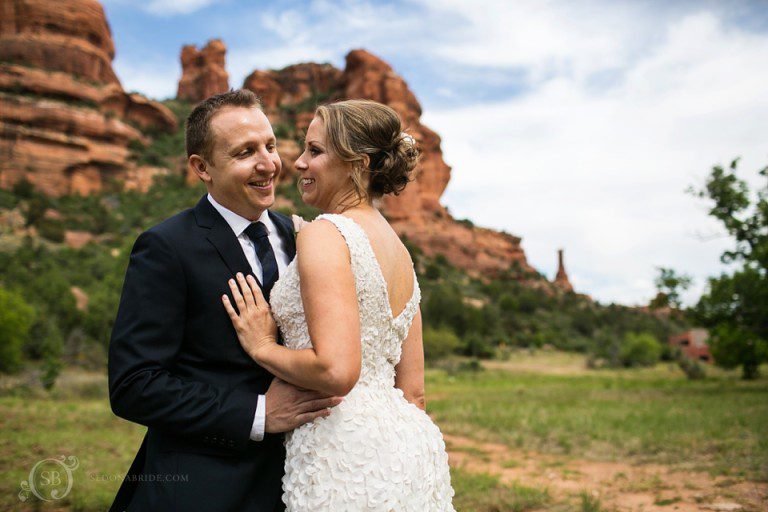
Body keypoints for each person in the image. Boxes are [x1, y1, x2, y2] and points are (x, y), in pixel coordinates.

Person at [107, 89, 340, 512]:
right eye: (245, 152)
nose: (268, 163)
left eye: (270, 145)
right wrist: (257, 414)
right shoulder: (165, 247)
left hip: (305, 481)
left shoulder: (305, 235)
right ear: (202, 167)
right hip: (205, 488)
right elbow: (133, 386)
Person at [223, 99, 456, 510]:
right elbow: (414, 393)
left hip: (342, 449)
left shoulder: (324, 234)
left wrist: (263, 348)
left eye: (316, 151)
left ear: (358, 164)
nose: (298, 163)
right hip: (411, 450)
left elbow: (335, 370)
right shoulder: (399, 251)